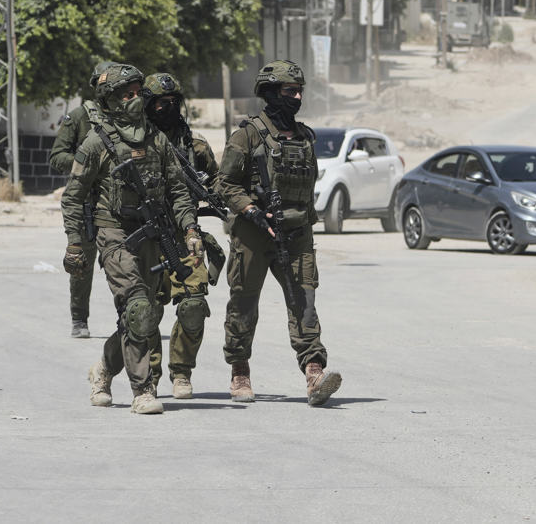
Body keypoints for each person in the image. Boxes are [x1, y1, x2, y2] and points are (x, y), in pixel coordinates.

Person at [63, 64, 201, 415]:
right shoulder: (96, 143)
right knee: (138, 306)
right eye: (127, 94)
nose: (136, 99)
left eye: (138, 92)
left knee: (146, 314)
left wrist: (189, 230)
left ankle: (104, 369)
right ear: (110, 100)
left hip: (153, 231)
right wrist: (75, 243)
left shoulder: (157, 139)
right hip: (114, 232)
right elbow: (73, 197)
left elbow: (179, 190)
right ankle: (143, 390)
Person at [215, 60, 342, 407]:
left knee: (304, 303)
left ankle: (314, 373)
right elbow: (224, 183)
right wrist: (251, 210)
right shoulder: (247, 135)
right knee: (243, 304)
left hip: (297, 234)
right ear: (271, 93)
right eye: (290, 91)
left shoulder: (305, 137)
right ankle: (239, 371)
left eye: (300, 91)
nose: (297, 97)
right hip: (255, 234)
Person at [141, 72, 226, 401]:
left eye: (173, 103)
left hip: (185, 235)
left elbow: (218, 182)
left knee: (193, 305)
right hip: (146, 236)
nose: (168, 108)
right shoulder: (136, 144)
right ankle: (148, 375)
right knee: (145, 311)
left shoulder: (194, 146)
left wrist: (217, 194)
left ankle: (181, 372)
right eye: (161, 103)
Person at [51, 60, 117, 339]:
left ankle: (130, 317)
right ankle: (79, 318)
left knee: (125, 265)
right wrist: (86, 161)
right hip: (85, 201)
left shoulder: (128, 118)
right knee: (81, 263)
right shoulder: (79, 117)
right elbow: (57, 157)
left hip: (116, 202)